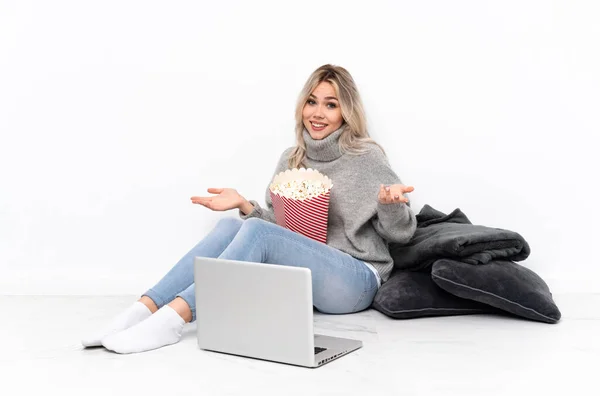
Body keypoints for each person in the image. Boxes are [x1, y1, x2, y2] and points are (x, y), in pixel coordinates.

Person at [81, 64, 417, 354]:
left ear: (346, 111)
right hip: (306, 279)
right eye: (311, 102)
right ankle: (143, 310)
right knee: (231, 227)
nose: (318, 113)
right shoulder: (292, 159)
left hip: (357, 279)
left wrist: (390, 206)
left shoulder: (366, 156)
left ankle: (175, 318)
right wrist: (245, 205)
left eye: (330, 105)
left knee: (254, 231)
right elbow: (283, 233)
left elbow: (402, 233)